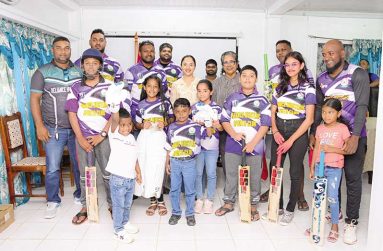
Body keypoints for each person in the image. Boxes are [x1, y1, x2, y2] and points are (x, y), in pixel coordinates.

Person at [310, 39, 370, 245]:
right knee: (332, 178)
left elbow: (362, 105)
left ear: (343, 53)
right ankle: (336, 212)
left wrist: (355, 136)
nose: (327, 57)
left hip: (353, 136)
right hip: (329, 138)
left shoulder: (357, 73)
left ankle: (351, 222)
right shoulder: (321, 79)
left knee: (353, 179)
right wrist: (312, 133)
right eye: (325, 54)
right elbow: (319, 108)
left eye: (332, 53)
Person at [66, 49, 129, 224]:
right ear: (82, 65)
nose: (91, 66)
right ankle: (86, 206)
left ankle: (112, 204)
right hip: (83, 137)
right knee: (85, 174)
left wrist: (102, 134)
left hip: (104, 137)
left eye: (95, 63)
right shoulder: (76, 87)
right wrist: (80, 138)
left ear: (100, 65)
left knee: (109, 173)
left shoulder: (110, 86)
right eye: (87, 63)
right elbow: (72, 114)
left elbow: (114, 113)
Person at [30, 36, 82, 219]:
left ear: (70, 50)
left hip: (77, 129)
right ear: (52, 50)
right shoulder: (42, 72)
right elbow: (35, 100)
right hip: (52, 129)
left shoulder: (79, 72)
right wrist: (39, 126)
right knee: (52, 167)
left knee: (79, 165)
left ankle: (80, 196)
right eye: (59, 48)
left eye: (66, 48)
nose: (63, 51)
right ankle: (52, 201)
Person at [261, 40, 314, 212]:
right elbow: (272, 110)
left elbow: (310, 119)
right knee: (275, 168)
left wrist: (291, 140)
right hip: (279, 129)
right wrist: (275, 130)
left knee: (295, 171)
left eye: (294, 64)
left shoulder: (308, 88)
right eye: (287, 65)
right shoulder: (279, 87)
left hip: (298, 130)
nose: (290, 68)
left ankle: (291, 208)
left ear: (301, 66)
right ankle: (279, 206)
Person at [214, 65, 271, 221]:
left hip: (255, 145)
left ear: (256, 79)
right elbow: (224, 120)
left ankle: (253, 205)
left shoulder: (263, 100)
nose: (247, 78)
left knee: (254, 176)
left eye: (251, 76)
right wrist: (234, 134)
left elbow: (265, 125)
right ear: (240, 79)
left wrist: (253, 143)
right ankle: (228, 202)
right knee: (231, 174)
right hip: (233, 144)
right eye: (244, 75)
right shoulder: (232, 98)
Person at [307, 98, 351, 243]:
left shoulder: (343, 129)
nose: (326, 116)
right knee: (317, 197)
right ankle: (314, 224)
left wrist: (331, 149)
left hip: (334, 168)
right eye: (324, 112)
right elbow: (317, 149)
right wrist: (312, 167)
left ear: (338, 113)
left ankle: (334, 227)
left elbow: (347, 151)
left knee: (332, 197)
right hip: (320, 167)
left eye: (330, 112)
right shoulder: (320, 128)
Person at [134, 75, 174, 216]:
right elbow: (136, 123)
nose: (152, 89)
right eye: (149, 86)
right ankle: (152, 201)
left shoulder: (165, 103)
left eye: (155, 86)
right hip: (145, 140)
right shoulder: (140, 104)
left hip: (159, 139)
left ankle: (161, 200)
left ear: (159, 88)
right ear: (144, 87)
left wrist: (166, 123)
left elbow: (172, 118)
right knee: (146, 168)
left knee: (158, 168)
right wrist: (141, 125)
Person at [106, 102, 141, 243]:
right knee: (118, 206)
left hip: (130, 179)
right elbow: (114, 120)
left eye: (129, 125)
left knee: (127, 204)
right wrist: (114, 102)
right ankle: (118, 230)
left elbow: (135, 157)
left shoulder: (132, 138)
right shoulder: (114, 135)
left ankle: (125, 223)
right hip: (118, 179)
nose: (126, 128)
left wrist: (138, 173)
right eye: (122, 125)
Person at [165, 98, 201, 226]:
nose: (181, 114)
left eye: (184, 111)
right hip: (175, 162)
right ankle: (176, 212)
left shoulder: (195, 126)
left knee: (190, 189)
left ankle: (190, 213)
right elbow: (169, 147)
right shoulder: (171, 127)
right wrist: (167, 163)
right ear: (174, 112)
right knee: (174, 189)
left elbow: (197, 146)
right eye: (178, 111)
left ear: (189, 111)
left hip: (189, 163)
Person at [192, 79, 223, 214]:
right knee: (198, 173)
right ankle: (199, 199)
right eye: (199, 91)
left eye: (205, 91)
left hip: (212, 147)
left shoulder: (217, 108)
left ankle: (209, 200)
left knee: (211, 173)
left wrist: (216, 125)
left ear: (211, 91)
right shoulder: (193, 108)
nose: (202, 93)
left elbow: (222, 128)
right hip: (198, 147)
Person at [211, 51, 241, 179]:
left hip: (241, 125)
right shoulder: (216, 83)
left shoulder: (244, 79)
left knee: (241, 155)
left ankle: (242, 185)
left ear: (237, 63)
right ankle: (229, 183)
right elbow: (212, 104)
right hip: (222, 126)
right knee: (225, 154)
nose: (229, 65)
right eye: (225, 62)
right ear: (222, 65)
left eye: (231, 62)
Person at [125, 40, 166, 119]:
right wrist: (128, 117)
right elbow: (125, 96)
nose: (149, 54)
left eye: (151, 51)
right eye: (145, 51)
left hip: (156, 116)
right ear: (140, 53)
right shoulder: (131, 71)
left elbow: (163, 94)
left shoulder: (161, 72)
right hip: (135, 116)